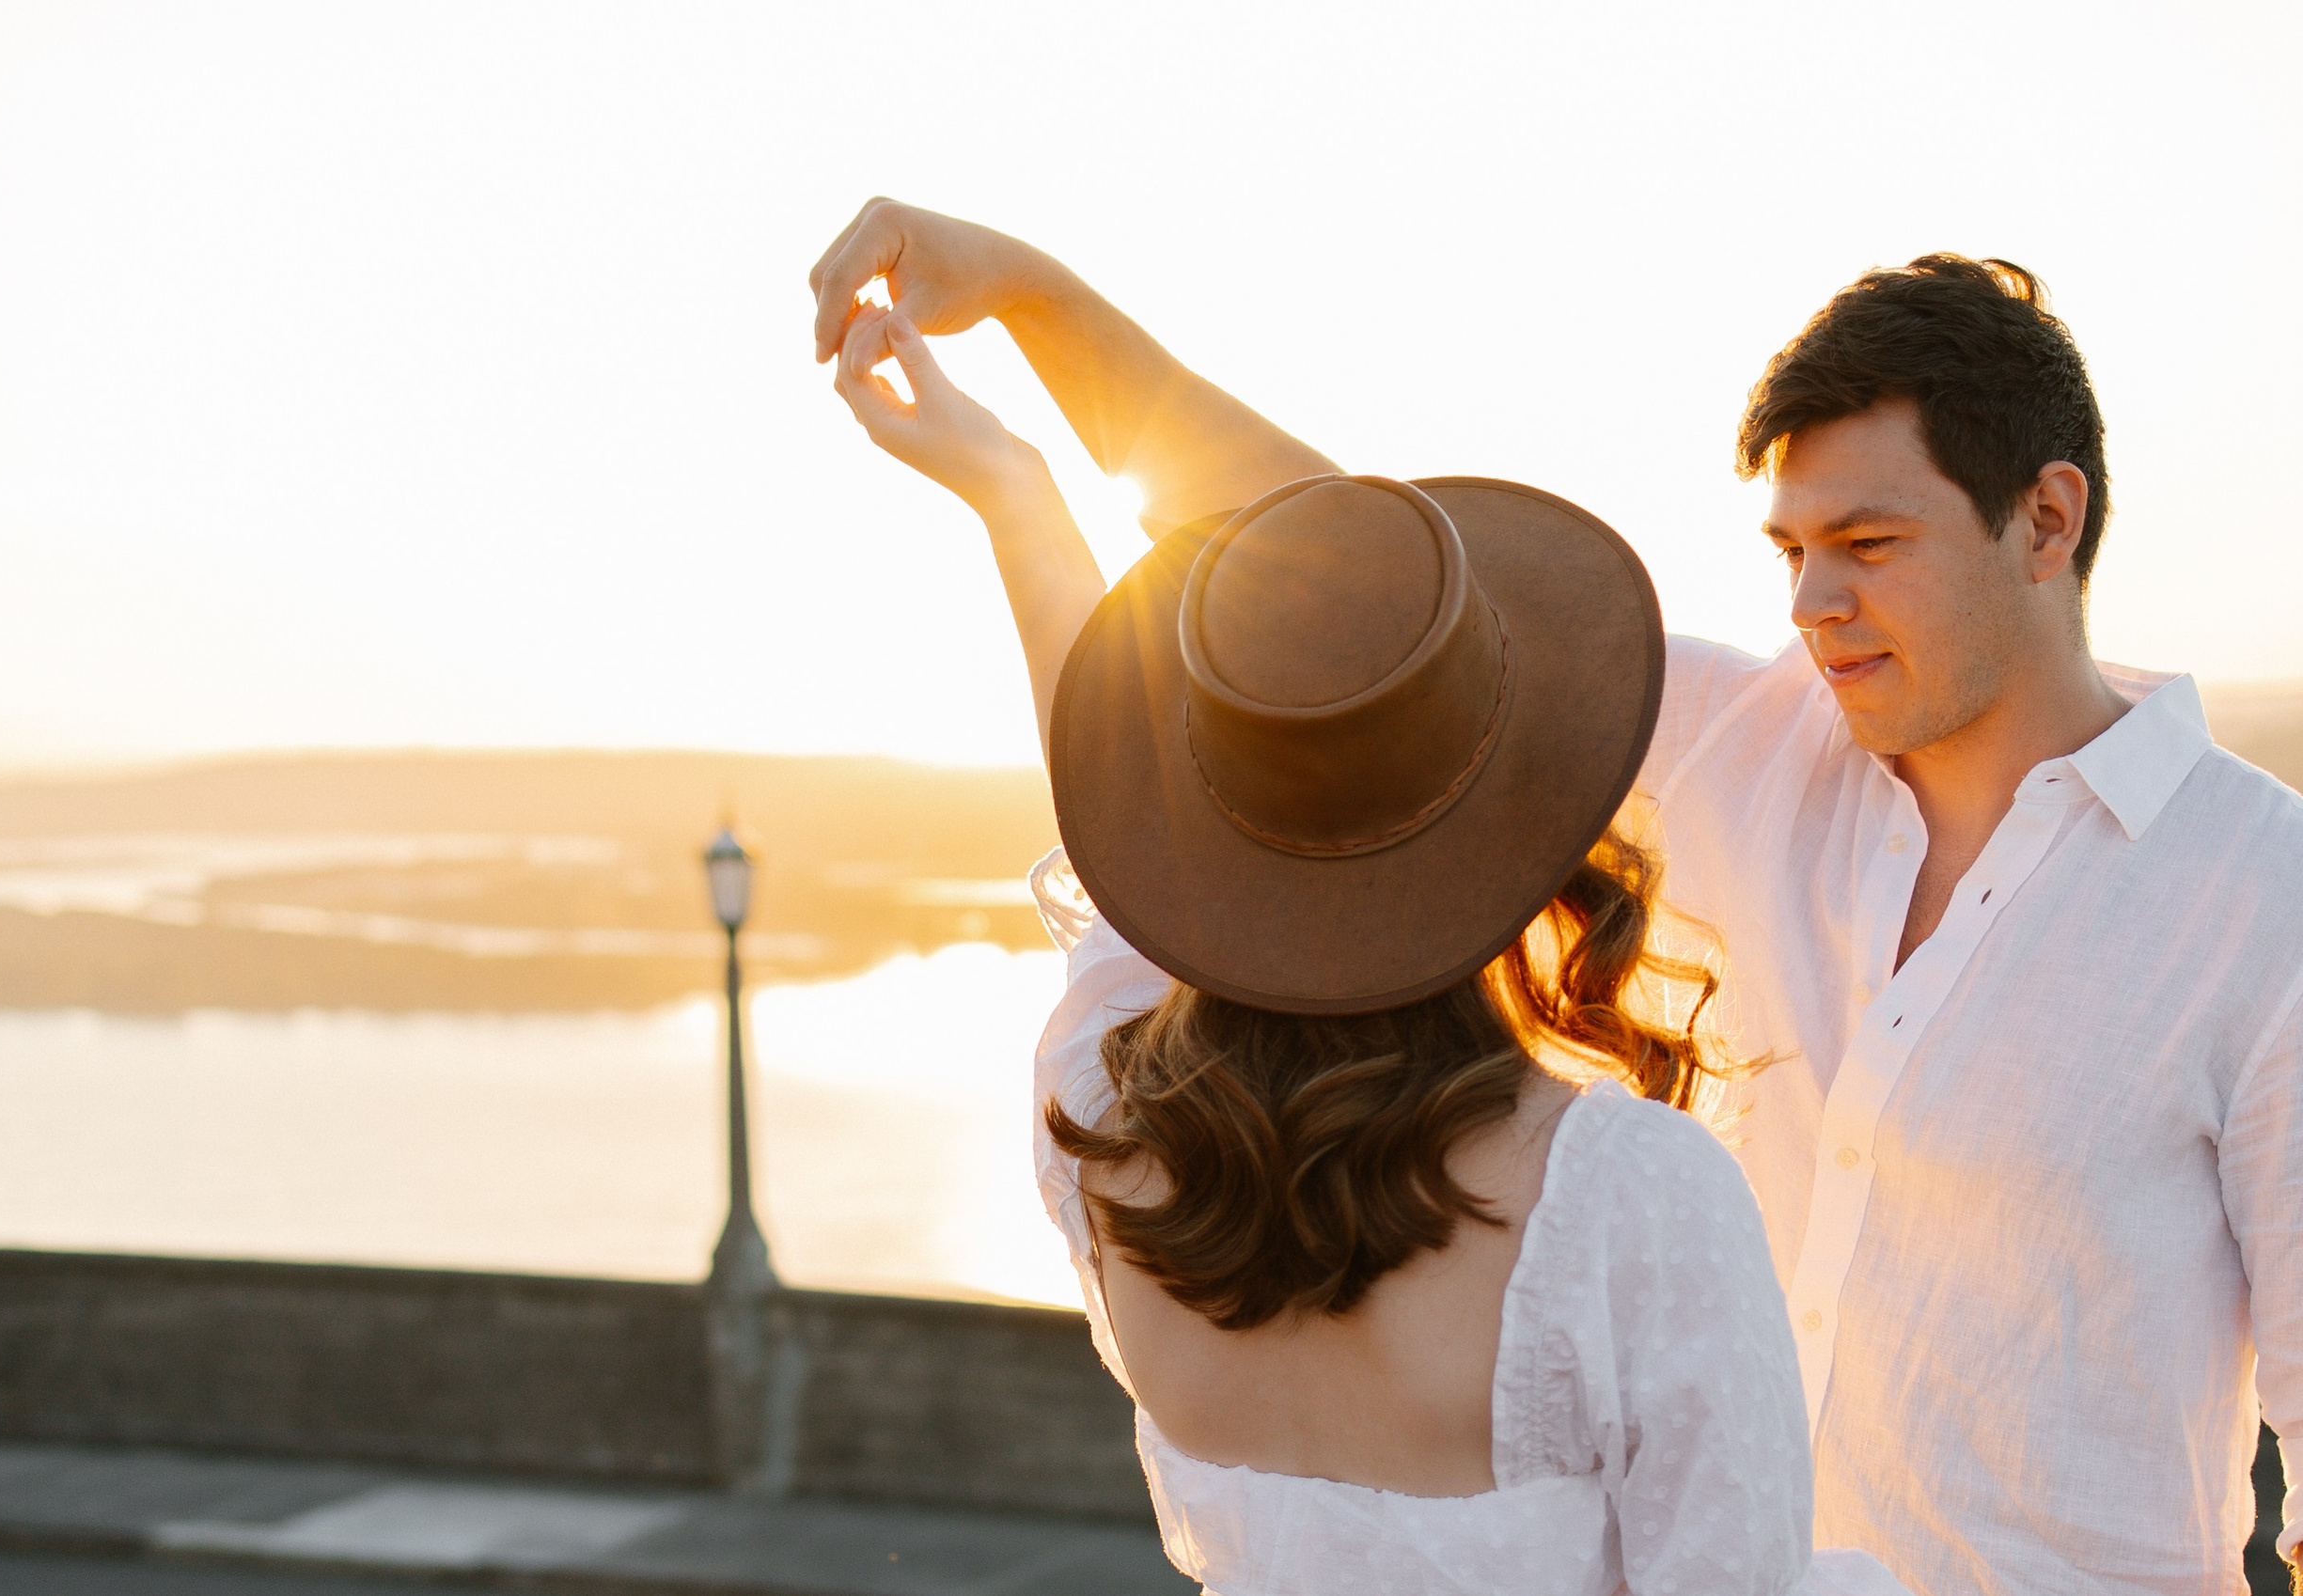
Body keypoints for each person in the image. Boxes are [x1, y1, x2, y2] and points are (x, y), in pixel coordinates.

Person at [809, 202, 2303, 1596]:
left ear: (2049, 521)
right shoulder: (1751, 740)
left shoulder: (2263, 897)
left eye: (1868, 545)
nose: (1809, 607)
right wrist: (1036, 298)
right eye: (1790, 552)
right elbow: (1342, 574)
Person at [828, 300, 1907, 1595]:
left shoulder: (1108, 1126)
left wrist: (1012, 495)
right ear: (1522, 818)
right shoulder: (1632, 1201)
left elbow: (1113, 849)